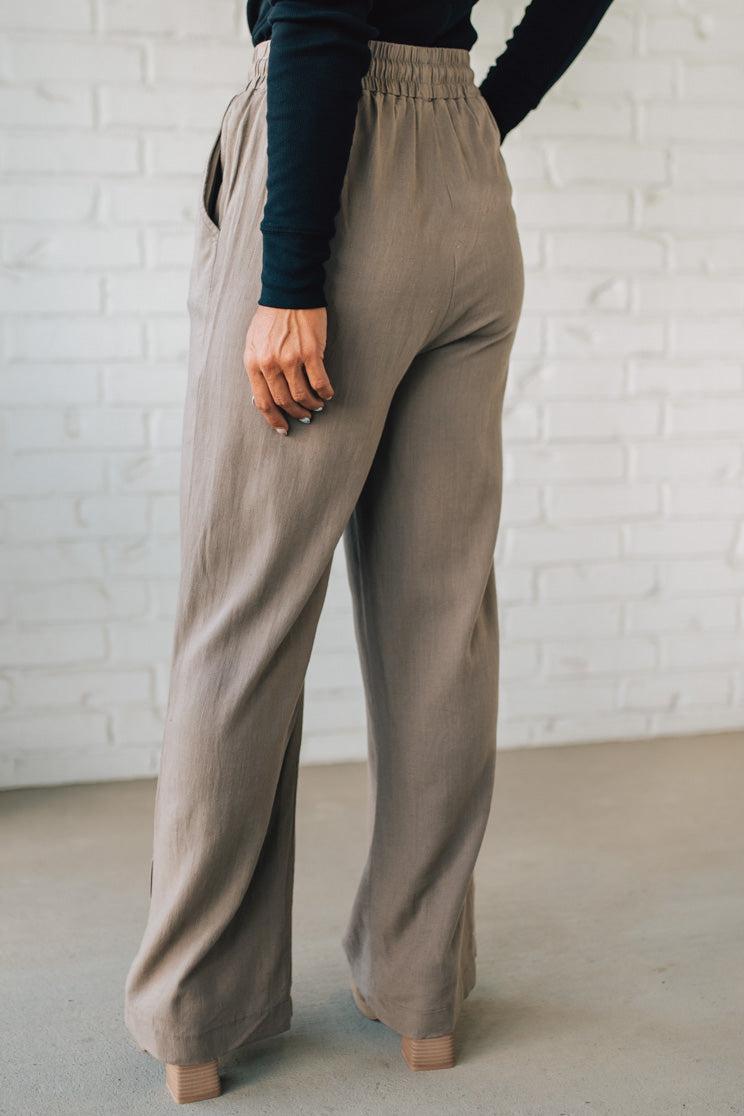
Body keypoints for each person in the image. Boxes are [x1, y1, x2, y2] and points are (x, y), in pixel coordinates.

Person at [124, 0, 614, 1103]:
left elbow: (317, 7)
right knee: (440, 622)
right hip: (466, 187)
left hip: (328, 166)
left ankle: (198, 1017)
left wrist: (290, 276)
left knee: (242, 616)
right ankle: (423, 993)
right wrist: (480, 120)